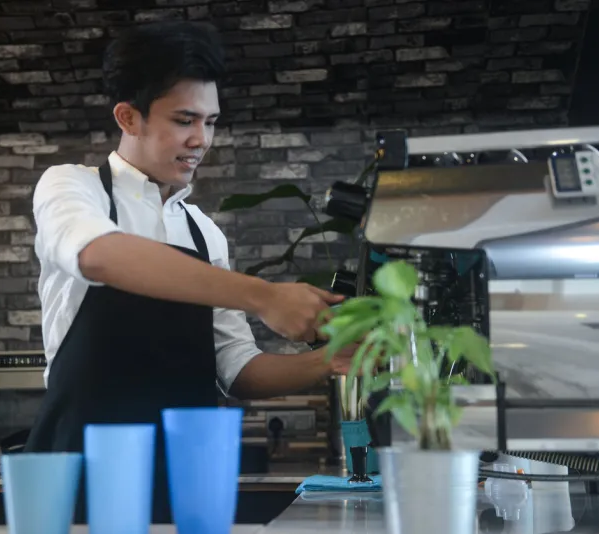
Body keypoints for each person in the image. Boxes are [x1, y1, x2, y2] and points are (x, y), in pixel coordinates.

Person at [23, 20, 359, 524]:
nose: (201, 139)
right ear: (129, 117)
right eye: (185, 120)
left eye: (212, 120)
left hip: (184, 478)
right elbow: (100, 255)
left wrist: (331, 361)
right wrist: (264, 296)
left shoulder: (204, 233)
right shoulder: (74, 189)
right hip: (81, 474)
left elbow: (236, 370)